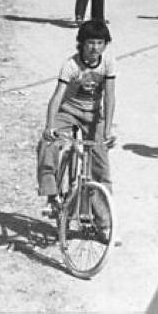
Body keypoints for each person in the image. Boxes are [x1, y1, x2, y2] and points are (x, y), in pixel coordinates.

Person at [37, 21, 117, 220]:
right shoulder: (71, 65)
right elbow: (57, 97)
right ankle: (51, 195)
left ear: (105, 44)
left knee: (101, 165)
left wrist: (107, 131)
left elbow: (109, 98)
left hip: (94, 116)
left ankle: (104, 220)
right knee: (48, 143)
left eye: (100, 43)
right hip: (69, 111)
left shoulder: (107, 63)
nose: (95, 48)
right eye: (90, 43)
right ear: (81, 44)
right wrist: (49, 126)